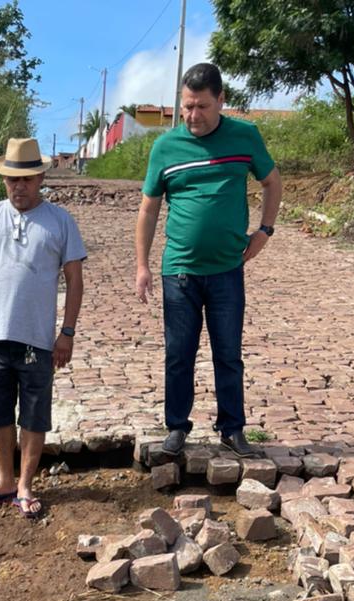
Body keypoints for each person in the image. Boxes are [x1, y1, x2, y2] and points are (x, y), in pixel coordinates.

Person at [135, 62, 282, 458]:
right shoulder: (166, 147)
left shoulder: (245, 136)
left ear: (221, 101)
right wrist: (143, 265)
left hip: (227, 271)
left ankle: (231, 429)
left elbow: (272, 181)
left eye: (201, 106)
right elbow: (148, 209)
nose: (192, 116)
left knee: (228, 354)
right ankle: (177, 428)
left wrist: (264, 231)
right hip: (179, 272)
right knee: (178, 354)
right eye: (186, 107)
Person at [0, 137, 86, 518]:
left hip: (38, 341)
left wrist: (66, 333)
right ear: (4, 180)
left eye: (27, 179)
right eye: (12, 179)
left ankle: (27, 484)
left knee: (34, 414)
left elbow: (75, 281)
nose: (19, 186)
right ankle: (5, 479)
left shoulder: (60, 222)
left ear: (41, 178)